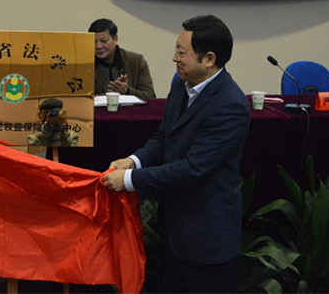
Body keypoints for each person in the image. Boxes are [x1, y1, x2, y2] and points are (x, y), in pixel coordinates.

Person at [102, 15, 250, 293]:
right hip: (174, 231)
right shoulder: (181, 86)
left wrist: (129, 180)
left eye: (181, 52)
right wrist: (133, 160)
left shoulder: (229, 105)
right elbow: (163, 137)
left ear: (209, 59)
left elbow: (193, 169)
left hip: (207, 239)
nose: (174, 58)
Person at [89, 18, 156, 100]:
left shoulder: (136, 61)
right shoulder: (85, 64)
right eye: (94, 42)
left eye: (104, 41)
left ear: (115, 39)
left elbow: (150, 96)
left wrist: (127, 91)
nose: (98, 46)